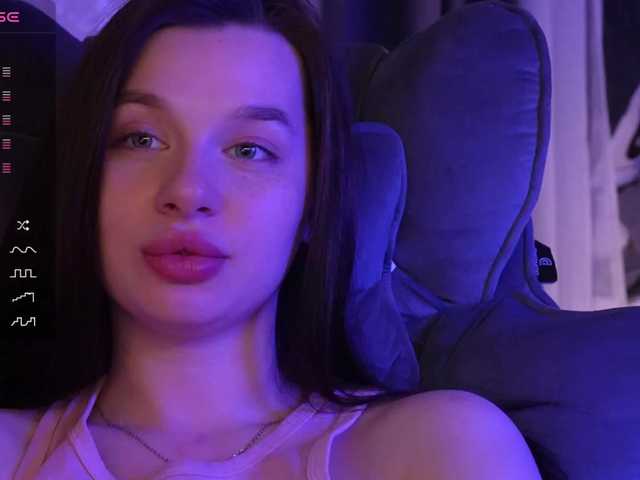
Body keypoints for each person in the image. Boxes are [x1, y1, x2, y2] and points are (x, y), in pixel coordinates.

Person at [0, 0, 542, 478]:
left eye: (249, 150)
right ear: (85, 178)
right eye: (141, 138)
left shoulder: (442, 449)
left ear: (312, 205)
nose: (188, 191)